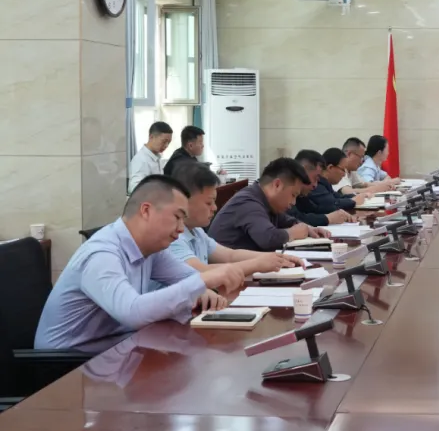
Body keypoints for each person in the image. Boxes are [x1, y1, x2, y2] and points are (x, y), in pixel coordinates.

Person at [35, 175, 243, 351]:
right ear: (146, 211)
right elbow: (133, 312)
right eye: (177, 217)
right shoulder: (102, 254)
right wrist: (203, 280)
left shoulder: (151, 249)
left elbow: (188, 278)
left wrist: (204, 291)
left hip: (115, 351)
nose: (181, 229)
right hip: (67, 367)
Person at [168, 163, 304, 275]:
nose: (215, 208)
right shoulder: (173, 238)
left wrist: (277, 259)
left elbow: (230, 255)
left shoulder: (196, 231)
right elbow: (201, 272)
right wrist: (257, 264)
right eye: (209, 203)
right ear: (184, 201)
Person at [208, 158, 331, 251]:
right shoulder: (248, 202)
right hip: (226, 272)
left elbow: (287, 220)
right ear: (277, 185)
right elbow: (267, 238)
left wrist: (308, 228)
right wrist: (292, 233)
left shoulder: (267, 202)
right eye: (293, 195)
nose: (293, 202)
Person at [291, 150, 355, 226]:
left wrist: (338, 213)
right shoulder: (286, 191)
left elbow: (314, 209)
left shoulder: (301, 195)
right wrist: (328, 218)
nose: (315, 185)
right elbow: (296, 219)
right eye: (315, 178)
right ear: (302, 171)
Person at [129, 121, 172, 194]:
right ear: (151, 137)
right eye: (164, 141)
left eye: (169, 142)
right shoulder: (141, 160)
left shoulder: (156, 157)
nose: (166, 145)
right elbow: (134, 188)